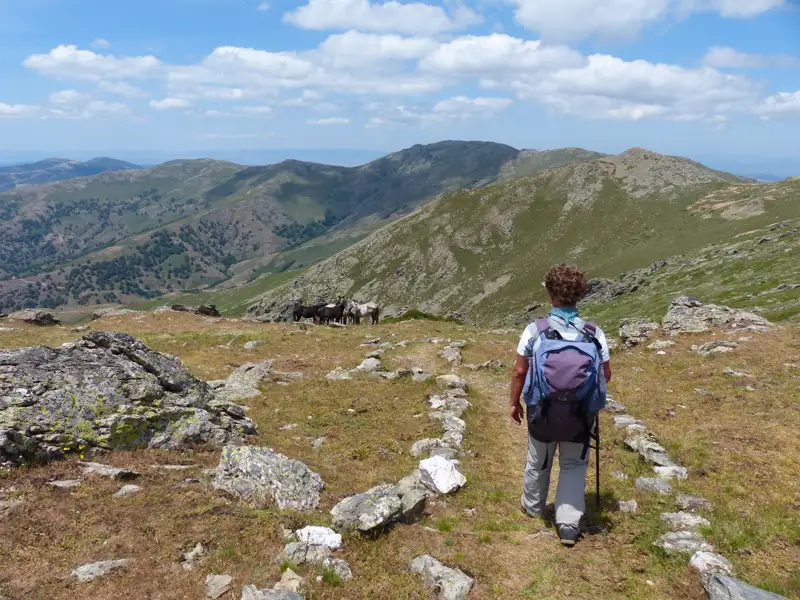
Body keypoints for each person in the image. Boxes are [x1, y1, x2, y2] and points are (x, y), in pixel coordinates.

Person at [509, 263, 612, 546]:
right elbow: (605, 375)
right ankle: (568, 524)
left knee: (538, 460)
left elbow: (519, 371)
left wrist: (514, 403)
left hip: (541, 411)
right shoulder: (594, 333)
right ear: (579, 295)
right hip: (579, 414)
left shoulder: (536, 330)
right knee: (573, 465)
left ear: (550, 295)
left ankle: (532, 507)